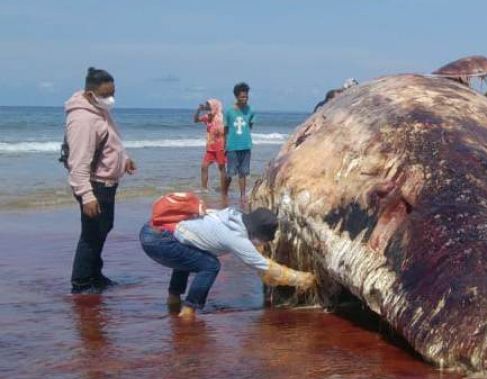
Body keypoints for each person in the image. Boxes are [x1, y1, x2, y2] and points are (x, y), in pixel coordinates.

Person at [140, 205, 316, 319]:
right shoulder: (235, 238)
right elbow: (265, 266)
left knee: (191, 255)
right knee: (211, 265)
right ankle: (188, 310)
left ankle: (173, 299)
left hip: (153, 230)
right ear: (257, 232)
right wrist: (304, 279)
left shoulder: (233, 214)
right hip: (160, 242)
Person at [65, 67, 137, 294]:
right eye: (106, 94)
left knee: (103, 228)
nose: (111, 99)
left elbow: (110, 141)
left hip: (107, 183)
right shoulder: (83, 119)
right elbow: (78, 163)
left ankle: (95, 274)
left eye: (113, 93)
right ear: (90, 94)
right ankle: (81, 283)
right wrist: (87, 196)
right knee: (92, 234)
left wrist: (123, 159)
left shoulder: (99, 111)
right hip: (95, 185)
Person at [223, 82, 255, 203]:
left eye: (246, 96)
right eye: (242, 97)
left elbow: (249, 126)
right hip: (232, 146)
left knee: (243, 172)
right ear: (236, 97)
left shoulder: (251, 110)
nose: (245, 99)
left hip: (246, 145)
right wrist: (224, 145)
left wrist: (244, 137)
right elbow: (225, 129)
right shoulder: (229, 111)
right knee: (230, 173)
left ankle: (242, 195)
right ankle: (224, 193)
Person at [194, 99, 226, 191]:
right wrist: (199, 110)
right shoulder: (207, 117)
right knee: (204, 166)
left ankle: (224, 188)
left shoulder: (221, 118)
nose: (207, 107)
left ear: (214, 106)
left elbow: (226, 132)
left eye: (209, 105)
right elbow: (195, 120)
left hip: (220, 146)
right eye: (207, 105)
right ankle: (204, 189)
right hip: (210, 147)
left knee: (221, 168)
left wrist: (226, 146)